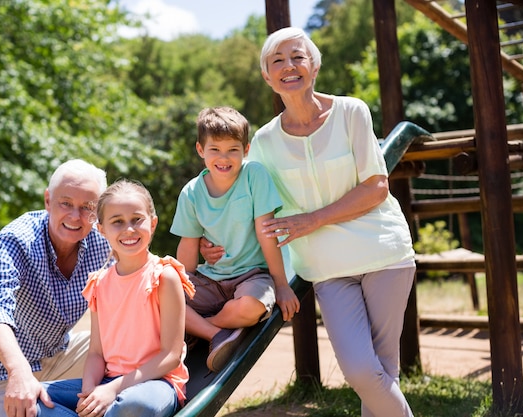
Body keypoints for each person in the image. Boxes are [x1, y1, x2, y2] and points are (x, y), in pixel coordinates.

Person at [247, 27, 417, 417]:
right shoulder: (264, 142)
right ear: (267, 76)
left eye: (298, 57)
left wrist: (313, 219)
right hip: (328, 270)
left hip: (384, 254)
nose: (289, 66)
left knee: (381, 369)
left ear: (315, 65)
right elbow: (252, 208)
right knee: (361, 370)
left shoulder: (351, 111)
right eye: (277, 61)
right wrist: (212, 241)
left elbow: (375, 187)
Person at [0, 159, 111, 417]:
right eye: (65, 203)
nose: (75, 217)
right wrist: (19, 371)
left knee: (128, 347)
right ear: (48, 200)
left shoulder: (102, 242)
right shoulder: (16, 240)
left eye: (87, 207)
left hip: (59, 355)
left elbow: (141, 277)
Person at [38, 178, 195, 417]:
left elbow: (171, 356)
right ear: (101, 230)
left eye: (136, 220)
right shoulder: (99, 283)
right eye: (117, 222)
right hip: (107, 382)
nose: (129, 229)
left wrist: (112, 390)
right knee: (34, 397)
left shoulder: (164, 276)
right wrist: (90, 393)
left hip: (155, 384)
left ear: (152, 224)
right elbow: (96, 353)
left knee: (132, 406)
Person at [170, 106, 300, 373]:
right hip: (211, 279)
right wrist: (183, 287)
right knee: (163, 295)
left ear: (246, 149)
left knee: (252, 307)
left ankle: (201, 327)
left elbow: (267, 232)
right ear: (200, 149)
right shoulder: (192, 192)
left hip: (251, 277)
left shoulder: (254, 176)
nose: (224, 157)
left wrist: (281, 284)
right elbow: (188, 245)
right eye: (215, 149)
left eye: (232, 150)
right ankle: (216, 334)